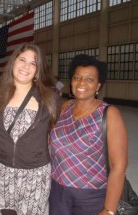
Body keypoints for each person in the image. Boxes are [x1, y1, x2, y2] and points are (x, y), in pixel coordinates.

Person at [49, 54, 128, 215]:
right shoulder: (64, 108)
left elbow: (119, 166)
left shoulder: (109, 114)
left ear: (98, 85)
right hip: (58, 192)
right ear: (71, 81)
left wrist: (109, 210)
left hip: (91, 197)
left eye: (89, 79)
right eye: (77, 77)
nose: (81, 83)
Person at [0, 43, 61, 215]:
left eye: (33, 63)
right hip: (5, 171)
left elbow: (55, 130)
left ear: (38, 70)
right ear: (14, 62)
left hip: (35, 174)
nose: (26, 66)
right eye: (22, 60)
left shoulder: (49, 98)